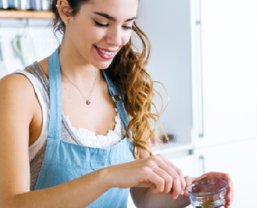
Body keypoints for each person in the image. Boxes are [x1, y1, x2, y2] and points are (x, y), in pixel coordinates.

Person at [0, 0, 233, 207]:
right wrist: (107, 176)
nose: (117, 39)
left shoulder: (127, 87)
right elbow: (10, 203)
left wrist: (190, 191)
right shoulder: (22, 92)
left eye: (127, 25)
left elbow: (145, 197)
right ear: (65, 9)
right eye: (102, 22)